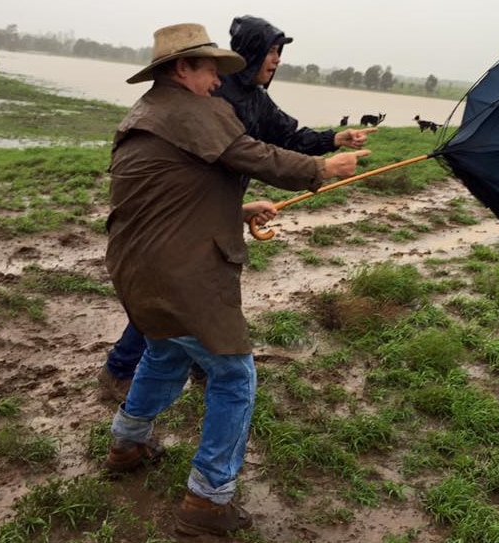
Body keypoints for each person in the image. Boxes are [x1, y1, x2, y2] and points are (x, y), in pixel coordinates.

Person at [102, 22, 370, 536]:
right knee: (233, 375)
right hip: (182, 273)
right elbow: (258, 156)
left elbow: (171, 195)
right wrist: (324, 168)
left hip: (136, 268)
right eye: (210, 71)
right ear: (183, 69)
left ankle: (128, 442)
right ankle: (207, 500)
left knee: (164, 353)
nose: (218, 82)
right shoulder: (192, 110)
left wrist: (241, 209)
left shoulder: (146, 113)